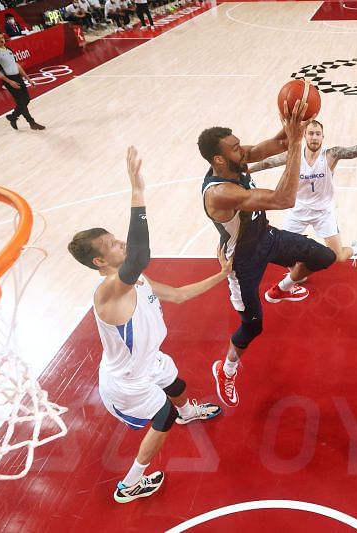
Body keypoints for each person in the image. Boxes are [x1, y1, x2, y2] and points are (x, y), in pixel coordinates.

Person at [68, 147, 228, 503]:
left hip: (149, 360)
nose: (120, 243)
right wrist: (137, 192)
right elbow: (140, 254)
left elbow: (179, 295)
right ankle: (129, 484)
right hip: (127, 382)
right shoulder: (109, 292)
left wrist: (222, 274)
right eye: (112, 245)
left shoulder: (136, 280)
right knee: (164, 417)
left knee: (176, 381)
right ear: (99, 261)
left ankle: (190, 413)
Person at [198, 100, 337, 408]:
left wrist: (292, 126)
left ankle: (283, 287)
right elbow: (283, 198)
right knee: (253, 325)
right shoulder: (221, 192)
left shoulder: (233, 159)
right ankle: (227, 368)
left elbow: (275, 144)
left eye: (239, 144)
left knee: (325, 257)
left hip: (267, 237)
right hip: (242, 261)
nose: (242, 150)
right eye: (235, 149)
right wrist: (296, 148)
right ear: (218, 159)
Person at [248, 120, 357, 283]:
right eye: (311, 133)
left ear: (323, 137)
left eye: (318, 134)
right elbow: (268, 162)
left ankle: (355, 249)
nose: (314, 137)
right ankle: (297, 273)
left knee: (338, 257)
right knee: (285, 252)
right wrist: (248, 170)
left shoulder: (331, 155)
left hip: (323, 213)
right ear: (304, 136)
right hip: (298, 211)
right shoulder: (294, 156)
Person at [0, 31, 45, 131]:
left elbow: (16, 65)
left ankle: (13, 117)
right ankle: (32, 123)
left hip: (18, 77)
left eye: (2, 37)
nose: (1, 39)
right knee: (21, 102)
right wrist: (9, 82)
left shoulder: (8, 49)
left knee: (26, 99)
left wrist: (28, 79)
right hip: (9, 79)